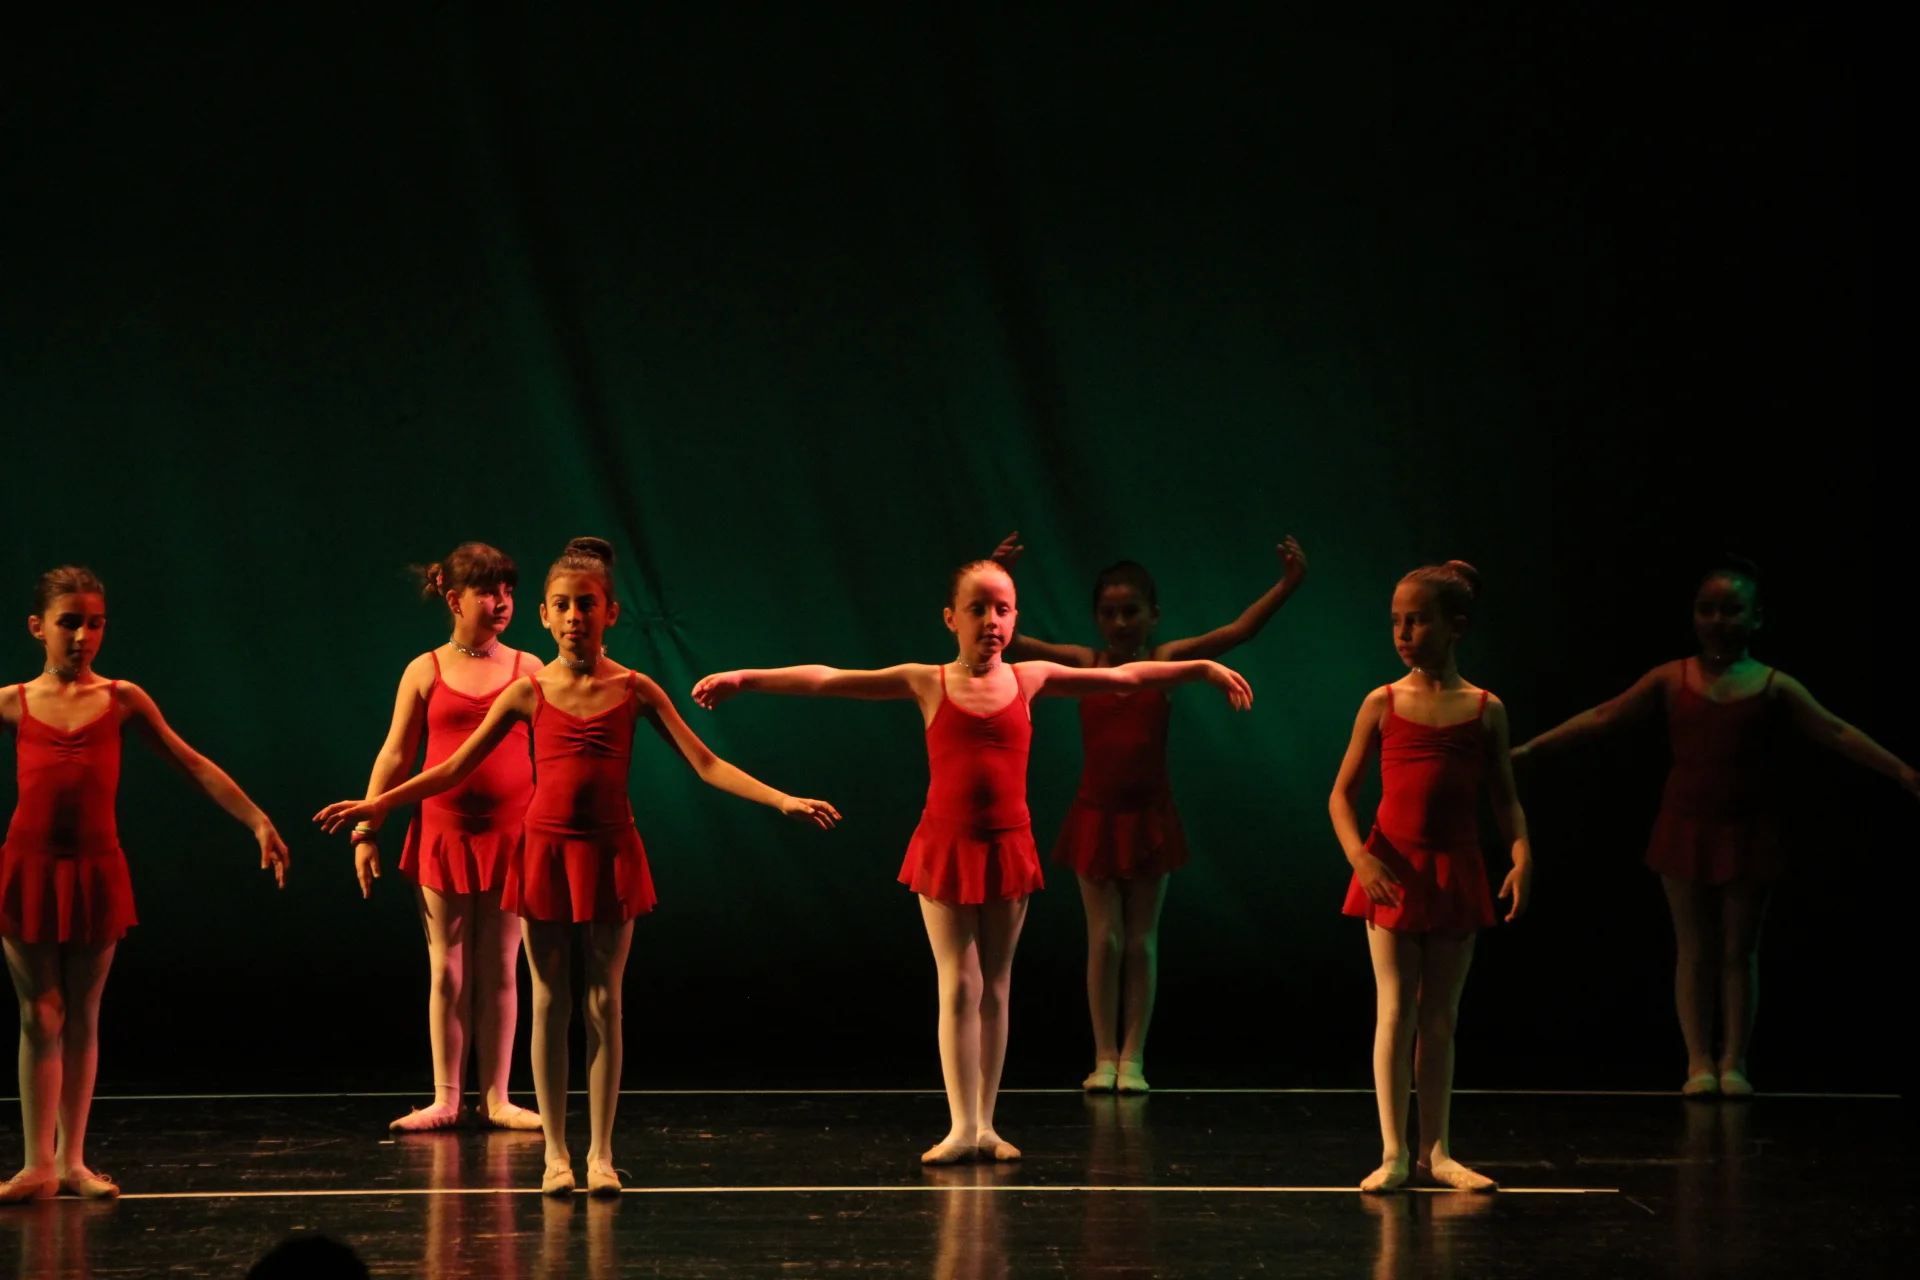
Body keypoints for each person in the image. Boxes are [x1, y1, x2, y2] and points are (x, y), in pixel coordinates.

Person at [317, 538, 837, 1196]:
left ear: (610, 613)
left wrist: (781, 799)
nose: (573, 617)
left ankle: (601, 1154)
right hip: (544, 853)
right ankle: (556, 1156)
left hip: (611, 854)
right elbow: (450, 767)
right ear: (545, 615)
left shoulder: (635, 688)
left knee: (604, 1004)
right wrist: (378, 807)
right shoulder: (527, 690)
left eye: (586, 605)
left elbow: (706, 763)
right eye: (561, 605)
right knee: (549, 999)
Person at [692, 557, 1253, 1164]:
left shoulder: (1031, 677)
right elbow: (830, 679)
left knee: (997, 987)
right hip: (946, 848)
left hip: (1008, 847)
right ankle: (960, 1126)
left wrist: (1202, 668)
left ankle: (986, 1124)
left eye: (1003, 609)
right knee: (959, 984)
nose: (991, 620)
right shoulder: (927, 680)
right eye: (978, 608)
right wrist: (745, 678)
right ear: (950, 618)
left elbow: (1128, 676)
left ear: (1015, 618)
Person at [1512, 556, 1918, 1096]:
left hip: (1747, 829)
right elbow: (1604, 716)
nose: (1717, 620)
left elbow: (1837, 732)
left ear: (1756, 617)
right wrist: (1532, 751)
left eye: (1731, 610)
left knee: (1738, 951)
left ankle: (1735, 1061)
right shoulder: (1671, 678)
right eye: (1707, 609)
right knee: (1695, 950)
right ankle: (1699, 1060)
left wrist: (1900, 771)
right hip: (1685, 826)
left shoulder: (1773, 685)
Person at [1, 566, 290, 1202]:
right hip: (29, 870)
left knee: (82, 1014)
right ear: (38, 627)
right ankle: (36, 1165)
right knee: (38, 1013)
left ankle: (72, 1162)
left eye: (95, 623)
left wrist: (256, 819)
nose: (83, 636)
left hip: (96, 869)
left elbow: (192, 762)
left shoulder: (122, 698)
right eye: (69, 623)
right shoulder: (13, 701)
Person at [988, 531, 1306, 1092]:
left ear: (1152, 615)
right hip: (1095, 817)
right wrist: (996, 577)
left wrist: (1287, 585)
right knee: (1104, 940)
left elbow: (1235, 632)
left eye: (1131, 611)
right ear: (1095, 618)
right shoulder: (1085, 663)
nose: (1119, 622)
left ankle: (1133, 1057)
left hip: (1149, 819)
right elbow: (1009, 643)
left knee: (1140, 941)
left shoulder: (1164, 661)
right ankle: (1103, 1055)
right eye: (1109, 613)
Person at [1328, 560, 1529, 1192]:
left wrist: (1522, 854)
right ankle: (1393, 1152)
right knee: (1395, 1011)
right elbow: (1340, 796)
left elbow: (1505, 798)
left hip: (1455, 870)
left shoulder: (1486, 709)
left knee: (1440, 1016)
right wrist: (1361, 857)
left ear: (1455, 627)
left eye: (1416, 620)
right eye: (1396, 621)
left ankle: (1435, 1152)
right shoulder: (1382, 703)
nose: (1403, 632)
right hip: (1392, 870)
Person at [351, 542, 542, 1132]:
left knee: (503, 966)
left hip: (511, 835)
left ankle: (498, 1097)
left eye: (508, 591)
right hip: (443, 833)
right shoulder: (425, 670)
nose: (501, 602)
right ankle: (446, 1098)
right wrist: (367, 828)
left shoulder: (528, 668)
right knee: (448, 968)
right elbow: (395, 753)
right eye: (488, 592)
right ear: (454, 600)